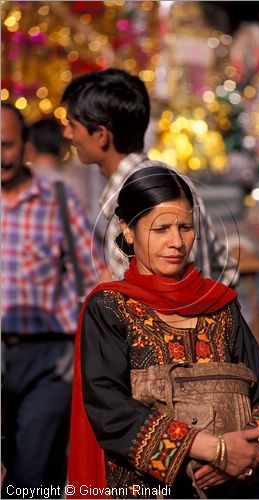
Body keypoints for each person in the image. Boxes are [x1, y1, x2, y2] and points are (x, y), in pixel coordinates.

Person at [68, 166, 259, 499]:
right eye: (160, 229)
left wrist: (246, 451)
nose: (176, 242)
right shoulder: (109, 308)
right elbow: (109, 409)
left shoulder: (221, 305)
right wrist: (212, 449)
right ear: (128, 230)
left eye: (185, 227)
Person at [1, 102, 105, 498]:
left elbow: (96, 273)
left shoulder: (58, 199)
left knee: (32, 473)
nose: (0, 156)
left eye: (6, 145)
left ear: (26, 146)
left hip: (49, 360)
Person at [61, 68, 239, 286]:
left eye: (72, 125)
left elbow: (153, 301)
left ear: (100, 135)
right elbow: (225, 270)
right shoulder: (165, 179)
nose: (67, 134)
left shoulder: (135, 195)